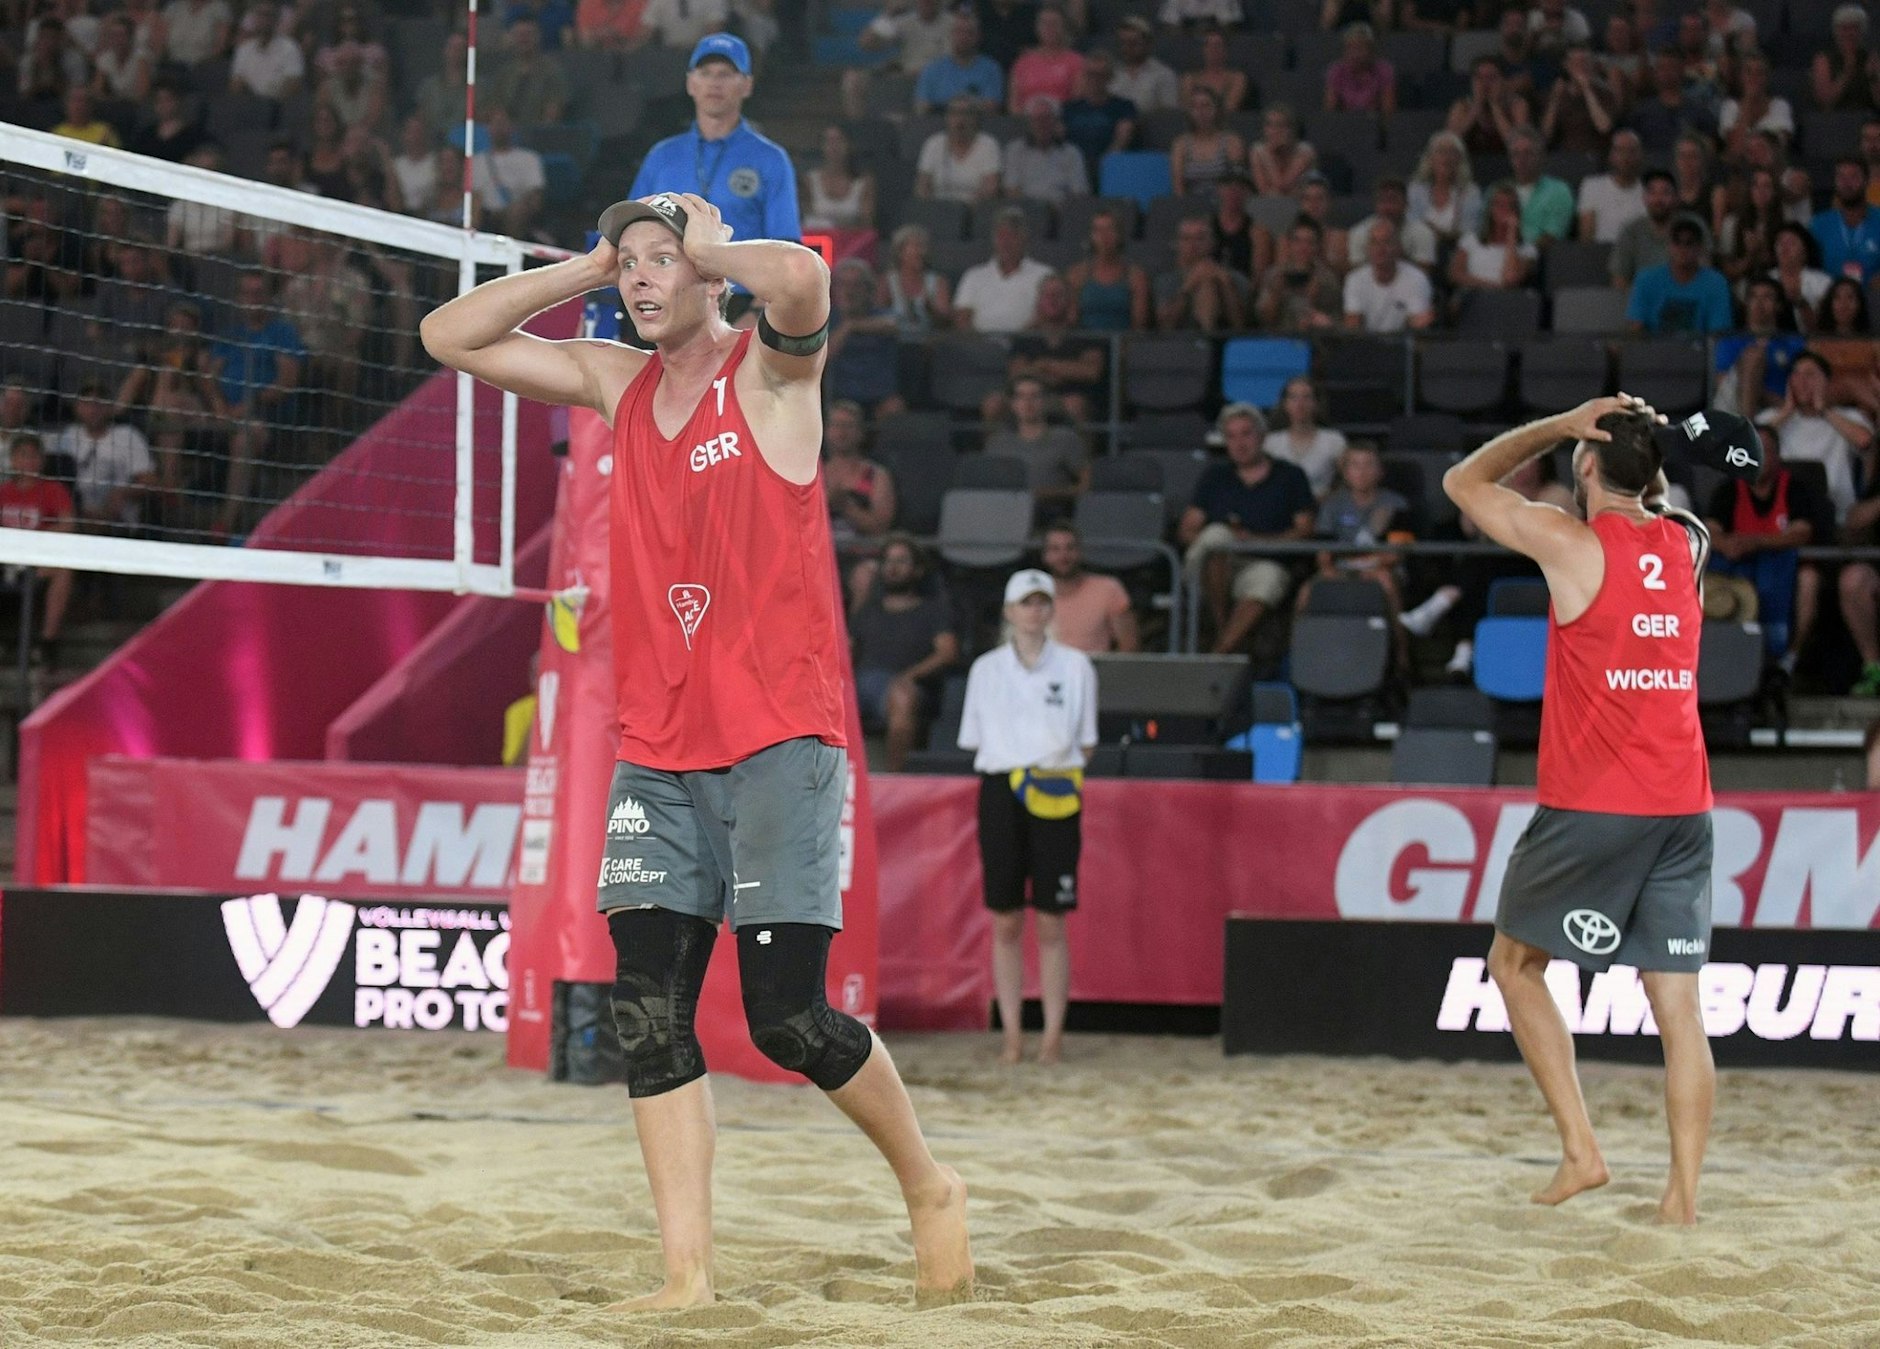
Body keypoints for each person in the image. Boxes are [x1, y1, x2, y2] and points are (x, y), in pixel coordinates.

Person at [420, 189, 973, 1307]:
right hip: (658, 750)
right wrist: (587, 268)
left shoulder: (771, 376)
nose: (639, 275)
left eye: (658, 259)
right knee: (648, 1014)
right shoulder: (615, 379)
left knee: (788, 1020)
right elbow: (449, 335)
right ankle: (688, 1277)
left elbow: (805, 280)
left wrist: (707, 244)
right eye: (628, 259)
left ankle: (928, 1183)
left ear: (710, 271)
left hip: (778, 739)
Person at [1443, 392, 1717, 1225]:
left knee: (1513, 965)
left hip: (1595, 803)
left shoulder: (1571, 543)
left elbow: (1464, 482)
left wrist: (1562, 423)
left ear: (1587, 466)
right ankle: (1681, 1201)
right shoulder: (1690, 541)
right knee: (1680, 1011)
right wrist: (1640, 446)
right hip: (1684, 804)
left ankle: (1580, 1151)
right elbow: (1652, 495)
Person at [957, 567, 1097, 1066]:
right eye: (1026, 602)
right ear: (1009, 611)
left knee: (1053, 918)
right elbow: (975, 740)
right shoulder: (986, 670)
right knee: (1006, 918)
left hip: (1055, 787)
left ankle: (1052, 1036)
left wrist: (1050, 769)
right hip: (1002, 788)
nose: (1034, 611)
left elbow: (1086, 740)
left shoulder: (1076, 666)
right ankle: (1013, 1036)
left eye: (1042, 602)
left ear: (1051, 609)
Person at [629, 34, 801, 269]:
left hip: (741, 289)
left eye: (725, 74)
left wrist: (756, 298)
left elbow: (786, 246)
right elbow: (632, 232)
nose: (714, 83)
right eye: (705, 73)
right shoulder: (661, 156)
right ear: (690, 83)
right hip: (667, 287)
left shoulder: (770, 159)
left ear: (747, 85)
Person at [1179, 402, 1316, 654]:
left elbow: (1305, 530)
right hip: (1210, 565)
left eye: (1246, 434)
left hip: (1263, 560)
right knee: (1217, 536)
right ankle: (1222, 631)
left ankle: (1219, 653)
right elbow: (1187, 529)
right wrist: (1226, 541)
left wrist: (1255, 541)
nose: (1239, 443)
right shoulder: (1214, 476)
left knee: (1268, 579)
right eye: (1231, 436)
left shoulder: (1290, 476)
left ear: (1262, 436)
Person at [1702, 428, 1819, 675]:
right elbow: (1710, 531)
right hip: (1737, 571)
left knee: (1808, 579)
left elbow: (1801, 533)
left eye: (1765, 450)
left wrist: (1756, 543)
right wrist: (1728, 545)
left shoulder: (1796, 488)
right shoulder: (1728, 489)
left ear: (1778, 456)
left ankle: (1788, 659)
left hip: (1782, 567)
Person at [850, 533, 959, 769]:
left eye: (901, 561)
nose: (893, 567)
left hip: (906, 684)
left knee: (902, 695)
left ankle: (894, 780)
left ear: (918, 570)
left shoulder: (933, 610)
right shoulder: (868, 609)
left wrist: (909, 676)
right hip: (861, 683)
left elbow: (947, 652)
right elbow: (848, 648)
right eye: (888, 561)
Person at [1757, 351, 1876, 525]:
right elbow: (1749, 445)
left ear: (1827, 382)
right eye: (1796, 374)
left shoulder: (1848, 417)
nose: (1802, 381)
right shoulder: (1771, 418)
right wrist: (1786, 412)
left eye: (1810, 375)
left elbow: (1865, 441)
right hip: (1784, 517)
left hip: (1838, 516)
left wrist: (1823, 410)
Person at [0, 433, 75, 659]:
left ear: (42, 461)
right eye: (22, 456)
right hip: (6, 560)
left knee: (64, 570)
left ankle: (47, 642)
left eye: (33, 456)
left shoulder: (53, 490)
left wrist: (35, 541)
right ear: (13, 460)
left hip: (39, 559)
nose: (28, 462)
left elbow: (68, 524)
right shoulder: (3, 491)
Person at [56, 380, 156, 532]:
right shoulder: (69, 435)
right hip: (76, 519)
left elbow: (150, 481)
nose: (93, 410)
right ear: (77, 408)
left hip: (117, 523)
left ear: (110, 408)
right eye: (87, 404)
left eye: (98, 404)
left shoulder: (128, 435)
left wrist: (123, 492)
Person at [985, 375, 1090, 516]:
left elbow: (1087, 483)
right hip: (1006, 514)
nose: (1028, 403)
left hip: (1054, 514)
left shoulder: (1066, 439)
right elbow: (987, 485)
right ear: (1012, 403)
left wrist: (1051, 494)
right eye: (1021, 396)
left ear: (1045, 401)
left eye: (1035, 396)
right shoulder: (998, 443)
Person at [1714, 277, 1805, 419]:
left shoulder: (1793, 343)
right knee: (1754, 355)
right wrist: (1755, 390)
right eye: (1753, 297)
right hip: (1734, 408)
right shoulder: (1730, 341)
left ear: (1779, 305)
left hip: (1779, 410)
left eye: (1767, 297)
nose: (1759, 303)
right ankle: (1747, 427)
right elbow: (1723, 384)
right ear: (1746, 303)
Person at [1040, 521, 1138, 653]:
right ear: (1045, 556)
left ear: (1080, 552)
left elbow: (1129, 646)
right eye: (1055, 549)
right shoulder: (1033, 593)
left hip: (1094, 665)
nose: (1063, 556)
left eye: (1070, 548)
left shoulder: (1108, 588)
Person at [1626, 215, 1732, 335]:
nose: (1682, 248)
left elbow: (1718, 333)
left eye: (1689, 243)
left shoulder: (1716, 283)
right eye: (1676, 242)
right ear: (1668, 246)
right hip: (1654, 346)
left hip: (1700, 347)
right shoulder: (1645, 280)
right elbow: (1636, 329)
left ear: (1700, 248)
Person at [954, 208, 1053, 333]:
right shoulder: (973, 275)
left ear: (1024, 238)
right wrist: (978, 342)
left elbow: (1050, 315)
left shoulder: (1045, 275)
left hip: (1027, 341)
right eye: (1001, 236)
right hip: (979, 342)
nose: (1006, 242)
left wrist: (1018, 340)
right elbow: (962, 317)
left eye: (1012, 236)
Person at [1450, 180, 1539, 302]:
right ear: (1490, 208)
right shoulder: (1470, 239)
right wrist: (1490, 287)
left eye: (1510, 206)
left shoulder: (1527, 249)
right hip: (1473, 296)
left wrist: (1512, 232)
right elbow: (1455, 274)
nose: (1504, 209)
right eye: (1499, 204)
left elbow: (1510, 279)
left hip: (1505, 301)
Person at [1062, 208, 1149, 332]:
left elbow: (1139, 326)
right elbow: (1071, 321)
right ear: (1091, 236)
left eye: (1109, 229)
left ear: (1119, 235)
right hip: (1085, 342)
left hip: (1122, 341)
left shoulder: (1135, 276)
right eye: (1098, 230)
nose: (1104, 236)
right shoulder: (1077, 274)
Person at [1343, 219, 1434, 333]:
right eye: (1374, 243)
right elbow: (1352, 326)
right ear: (1368, 248)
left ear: (1398, 248)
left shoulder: (1417, 279)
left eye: (1387, 242)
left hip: (1402, 341)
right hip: (1366, 342)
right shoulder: (1354, 279)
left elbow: (1417, 327)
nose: (1380, 249)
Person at [1061, 50, 1137, 186]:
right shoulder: (1069, 108)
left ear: (1110, 77)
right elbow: (1060, 139)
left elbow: (1123, 137)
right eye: (1090, 74)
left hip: (1111, 166)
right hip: (1073, 167)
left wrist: (1106, 163)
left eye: (1100, 75)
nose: (1095, 79)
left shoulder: (1124, 106)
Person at [1255, 215, 1343, 332]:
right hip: (1280, 336)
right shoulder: (1274, 275)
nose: (1303, 247)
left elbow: (1335, 323)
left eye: (1309, 242)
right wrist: (1275, 294)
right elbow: (1264, 320)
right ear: (1289, 244)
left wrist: (1313, 298)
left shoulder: (1327, 279)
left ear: (1317, 246)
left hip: (1316, 337)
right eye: (1298, 241)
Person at [1268, 375, 1347, 498]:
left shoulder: (1334, 440)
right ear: (1285, 404)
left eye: (1306, 397)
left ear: (1316, 403)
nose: (1300, 404)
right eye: (1293, 397)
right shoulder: (1270, 442)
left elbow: (1348, 480)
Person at [914, 9, 1003, 114]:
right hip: (938, 123)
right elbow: (921, 107)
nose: (963, 37)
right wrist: (964, 106)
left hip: (978, 123)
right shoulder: (932, 69)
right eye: (959, 32)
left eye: (969, 33)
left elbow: (992, 107)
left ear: (978, 37)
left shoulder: (991, 69)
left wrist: (948, 106)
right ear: (951, 35)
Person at [1003, 97, 1090, 204]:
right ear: (1029, 122)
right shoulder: (1015, 150)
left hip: (1062, 209)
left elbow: (1079, 192)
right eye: (1037, 119)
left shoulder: (1071, 153)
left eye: (1047, 118)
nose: (1042, 124)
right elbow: (1011, 190)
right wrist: (1037, 209)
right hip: (1027, 209)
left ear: (1055, 122)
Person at [916, 98, 1002, 204]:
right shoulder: (933, 143)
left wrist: (962, 209)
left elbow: (990, 189)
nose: (960, 119)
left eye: (966, 113)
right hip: (937, 208)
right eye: (954, 113)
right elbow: (922, 185)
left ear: (975, 118)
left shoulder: (988, 144)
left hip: (975, 208)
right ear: (947, 118)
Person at [1408, 131, 1484, 250]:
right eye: (1441, 151)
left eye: (1452, 152)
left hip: (1456, 251)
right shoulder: (1416, 189)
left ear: (1460, 159)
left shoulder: (1471, 192)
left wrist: (1441, 235)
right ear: (1430, 158)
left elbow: (1470, 231)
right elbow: (1411, 224)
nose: (1446, 157)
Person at [1812, 157, 1880, 287]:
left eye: (1854, 177)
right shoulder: (1818, 224)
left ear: (1867, 181)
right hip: (1829, 295)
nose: (1847, 183)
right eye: (1841, 177)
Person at [1347, 177, 1438, 272]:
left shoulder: (1423, 232)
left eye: (1393, 201)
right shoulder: (1359, 232)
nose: (1388, 207)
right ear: (1376, 205)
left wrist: (1396, 255)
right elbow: (1357, 273)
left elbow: (1424, 274)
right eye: (1382, 201)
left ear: (1406, 204)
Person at [1006, 5, 1083, 115]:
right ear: (1037, 28)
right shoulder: (1023, 62)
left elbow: (1078, 101)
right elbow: (1013, 104)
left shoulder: (1076, 62)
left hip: (1062, 119)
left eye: (1054, 24)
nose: (1049, 28)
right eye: (1044, 24)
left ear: (1064, 27)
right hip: (1026, 120)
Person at [1170, 86, 1244, 198]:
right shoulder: (1181, 144)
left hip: (1224, 202)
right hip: (1191, 203)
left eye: (1206, 105)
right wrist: (1184, 206)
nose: (1200, 111)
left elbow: (1237, 180)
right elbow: (1178, 185)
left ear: (1216, 109)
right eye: (1194, 107)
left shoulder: (1231, 141)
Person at [1577, 128, 1646, 244]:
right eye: (1620, 150)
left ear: (1640, 156)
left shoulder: (1649, 193)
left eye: (1631, 151)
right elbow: (1586, 238)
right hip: (1599, 252)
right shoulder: (1591, 186)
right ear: (1611, 155)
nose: (1626, 157)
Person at [1611, 168, 1677, 289]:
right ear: (1644, 198)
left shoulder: (1692, 227)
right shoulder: (1630, 232)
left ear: (1675, 198)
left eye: (1665, 193)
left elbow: (1704, 276)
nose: (1658, 199)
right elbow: (1619, 280)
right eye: (1652, 193)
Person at [1324, 21, 1396, 114]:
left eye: (1360, 48)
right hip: (1345, 121)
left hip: (1375, 120)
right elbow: (1329, 111)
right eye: (1350, 49)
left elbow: (1388, 112)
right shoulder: (1336, 71)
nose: (1355, 54)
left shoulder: (1384, 70)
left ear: (1371, 51)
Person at [1248, 104, 1317, 198]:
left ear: (1291, 129)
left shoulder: (1305, 151)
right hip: (1270, 203)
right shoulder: (1257, 150)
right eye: (1270, 125)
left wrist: (1268, 156)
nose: (1275, 131)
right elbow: (1263, 191)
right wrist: (1269, 153)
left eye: (1280, 125)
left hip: (1300, 202)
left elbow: (1282, 185)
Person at [1111, 15, 1177, 113]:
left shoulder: (1164, 75)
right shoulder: (1112, 73)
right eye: (1123, 43)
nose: (1126, 48)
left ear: (1148, 44)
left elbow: (1169, 114)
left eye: (1133, 43)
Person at [1178, 25, 1247, 112]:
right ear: (1203, 49)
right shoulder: (1189, 79)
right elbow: (1186, 110)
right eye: (1208, 45)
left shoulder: (1237, 78)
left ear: (1225, 50)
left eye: (1217, 45)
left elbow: (1230, 108)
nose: (1212, 49)